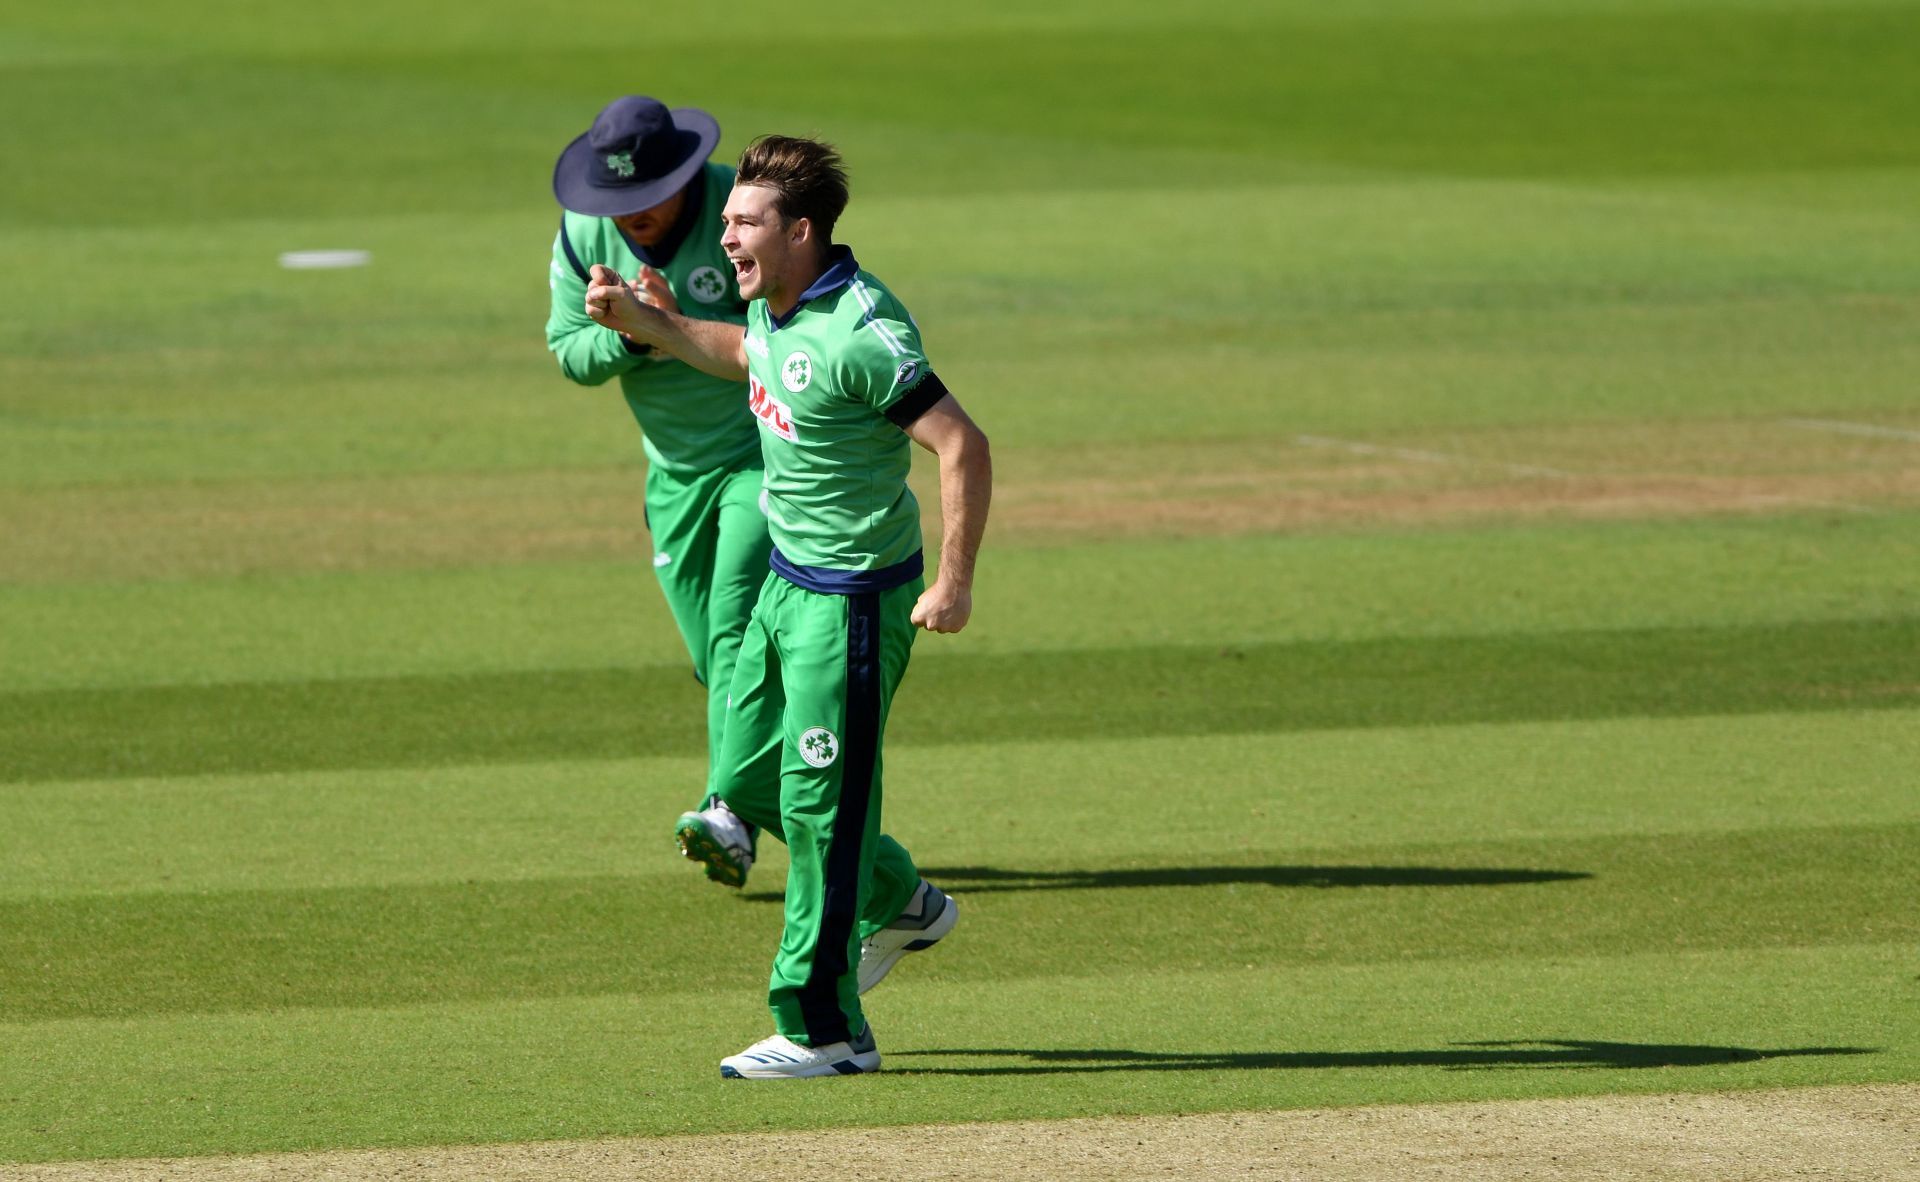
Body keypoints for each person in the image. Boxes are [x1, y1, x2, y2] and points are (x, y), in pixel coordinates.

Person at [585, 135, 992, 1079]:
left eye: (743, 222)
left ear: (800, 230)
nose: (725, 236)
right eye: (726, 221)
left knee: (821, 810)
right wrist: (657, 324)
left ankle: (826, 1030)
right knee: (746, 778)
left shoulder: (860, 327)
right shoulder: (775, 306)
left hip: (848, 605)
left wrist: (955, 582)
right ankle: (904, 904)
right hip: (785, 581)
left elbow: (961, 443)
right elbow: (749, 359)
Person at [545, 96, 766, 888]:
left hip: (764, 453)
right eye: (619, 201)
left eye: (651, 195)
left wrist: (674, 324)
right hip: (673, 473)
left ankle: (728, 810)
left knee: (738, 624)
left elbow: (797, 332)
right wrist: (626, 337)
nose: (633, 215)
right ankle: (788, 789)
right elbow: (568, 351)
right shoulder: (583, 233)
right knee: (718, 658)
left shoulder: (744, 212)